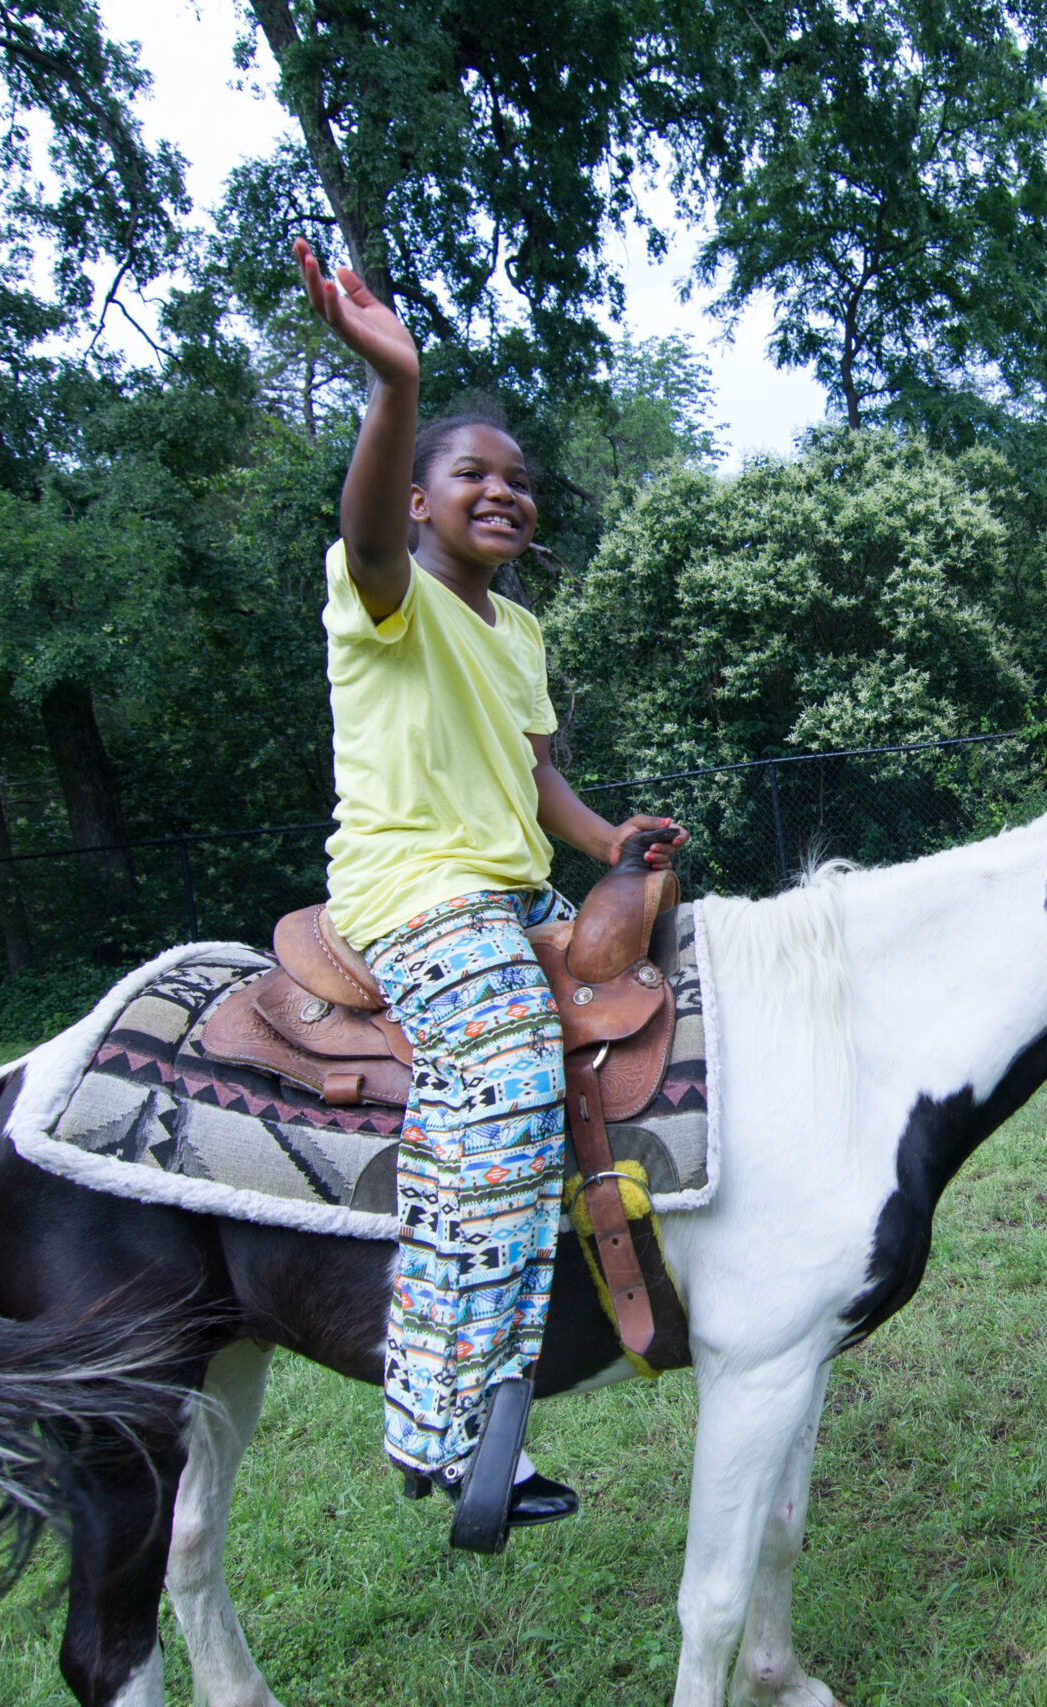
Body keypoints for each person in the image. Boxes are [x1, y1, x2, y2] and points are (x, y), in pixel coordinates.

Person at [295, 238, 686, 1546]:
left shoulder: (516, 631)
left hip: (504, 887)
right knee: (510, 1072)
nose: (503, 493)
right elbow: (360, 526)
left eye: (520, 482)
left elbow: (534, 776)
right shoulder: (384, 596)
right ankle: (438, 1419)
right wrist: (391, 387)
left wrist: (609, 838)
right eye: (471, 474)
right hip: (413, 891)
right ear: (416, 502)